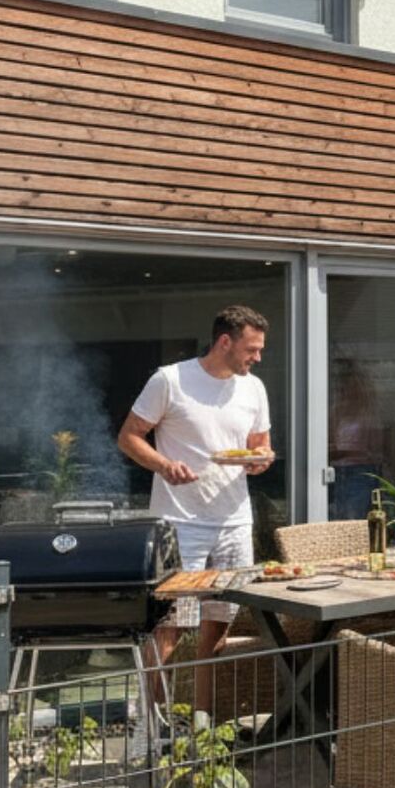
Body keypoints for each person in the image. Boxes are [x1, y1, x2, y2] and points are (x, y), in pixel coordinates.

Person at [118, 304, 275, 720]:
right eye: (252, 349)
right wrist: (164, 465)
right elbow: (129, 437)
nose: (258, 357)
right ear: (225, 342)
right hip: (181, 524)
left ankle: (203, 723)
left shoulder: (253, 388)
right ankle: (149, 726)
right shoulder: (170, 380)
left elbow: (260, 443)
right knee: (172, 627)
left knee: (219, 627)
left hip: (234, 523)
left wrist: (261, 458)